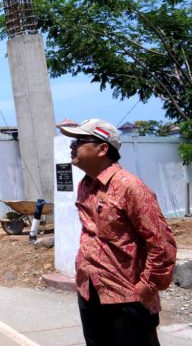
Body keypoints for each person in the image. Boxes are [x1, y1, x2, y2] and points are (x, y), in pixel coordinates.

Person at [59, 119, 177, 346]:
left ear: (102, 149)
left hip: (128, 296)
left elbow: (162, 244)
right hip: (90, 291)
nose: (73, 146)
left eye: (80, 141)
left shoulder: (130, 187)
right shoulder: (85, 185)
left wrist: (146, 286)